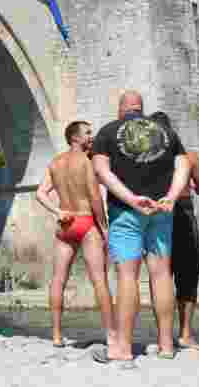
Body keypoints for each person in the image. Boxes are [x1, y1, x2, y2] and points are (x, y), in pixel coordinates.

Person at [89, 91, 191, 365]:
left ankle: (122, 348)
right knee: (161, 275)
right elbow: (184, 165)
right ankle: (167, 345)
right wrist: (171, 196)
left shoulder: (108, 131)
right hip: (160, 210)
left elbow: (102, 172)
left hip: (127, 211)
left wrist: (130, 198)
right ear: (141, 108)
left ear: (121, 109)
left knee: (127, 276)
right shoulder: (166, 132)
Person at [35, 121, 115, 348]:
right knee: (99, 279)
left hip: (66, 223)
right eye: (87, 133)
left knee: (58, 280)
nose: (92, 136)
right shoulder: (87, 163)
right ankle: (111, 334)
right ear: (74, 138)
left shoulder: (56, 163)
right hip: (87, 221)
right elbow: (95, 198)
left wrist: (57, 211)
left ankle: (57, 336)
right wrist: (105, 228)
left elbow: (40, 193)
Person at [150, 112, 199, 351]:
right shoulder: (189, 156)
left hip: (156, 215)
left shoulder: (148, 158)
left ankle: (164, 337)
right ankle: (185, 334)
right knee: (188, 273)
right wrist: (194, 185)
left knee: (160, 275)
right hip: (182, 212)